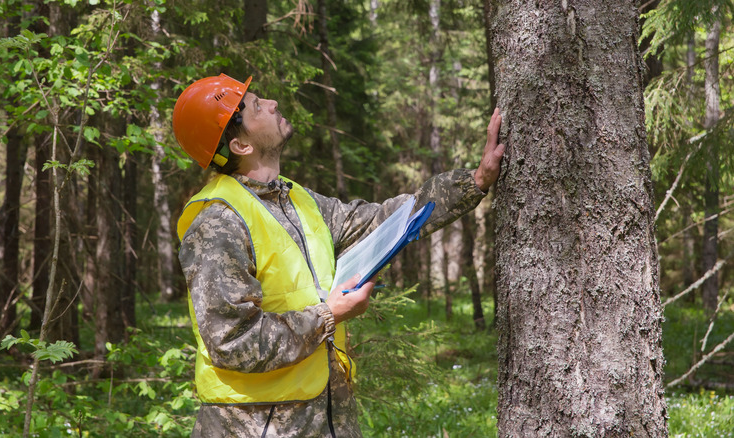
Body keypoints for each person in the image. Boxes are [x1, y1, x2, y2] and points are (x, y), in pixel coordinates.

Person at [173, 74, 505, 438]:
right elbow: (232, 342)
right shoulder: (217, 223)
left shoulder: (299, 200)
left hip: (327, 417)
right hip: (253, 427)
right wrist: (328, 315)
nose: (272, 104)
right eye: (257, 107)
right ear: (239, 145)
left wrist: (475, 181)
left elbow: (383, 223)